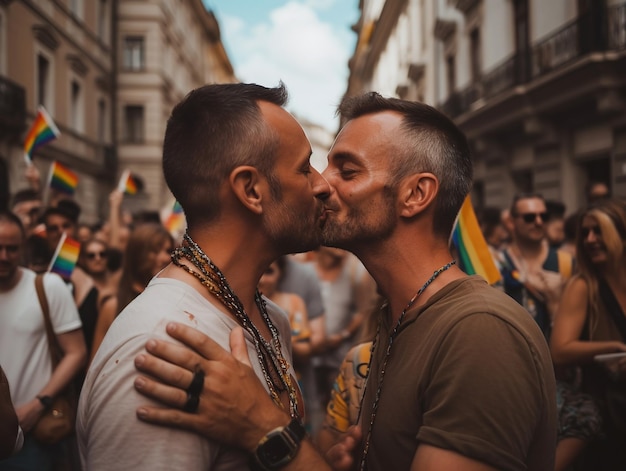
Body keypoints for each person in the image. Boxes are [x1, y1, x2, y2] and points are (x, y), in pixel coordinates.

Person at [132, 92, 558, 470]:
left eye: (347, 171)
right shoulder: (402, 318)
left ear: (415, 195)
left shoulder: (479, 332)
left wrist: (266, 428)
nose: (319, 184)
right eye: (322, 167)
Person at [76, 82, 332, 470]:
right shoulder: (162, 348)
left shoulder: (270, 318)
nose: (322, 184)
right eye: (303, 168)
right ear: (251, 190)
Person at [0, 211, 86, 470]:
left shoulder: (48, 287)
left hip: (33, 434)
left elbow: (76, 352)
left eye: (12, 249)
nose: (3, 256)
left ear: (23, 247)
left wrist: (38, 404)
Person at [550, 198, 626, 470]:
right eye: (585, 233)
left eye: (599, 231)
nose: (590, 239)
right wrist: (611, 348)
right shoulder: (583, 286)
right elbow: (559, 350)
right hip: (608, 412)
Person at [500, 193, 573, 339]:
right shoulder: (499, 263)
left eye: (543, 216)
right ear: (512, 222)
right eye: (529, 217)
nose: (538, 222)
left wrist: (556, 301)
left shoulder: (565, 261)